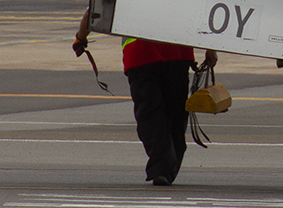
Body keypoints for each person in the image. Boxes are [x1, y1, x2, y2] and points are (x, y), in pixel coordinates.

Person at [73, 11, 212, 186]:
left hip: (140, 55)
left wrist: (80, 38)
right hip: (176, 54)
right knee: (175, 114)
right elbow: (204, 8)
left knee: (149, 114)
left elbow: (96, 7)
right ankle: (166, 166)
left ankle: (163, 166)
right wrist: (211, 48)